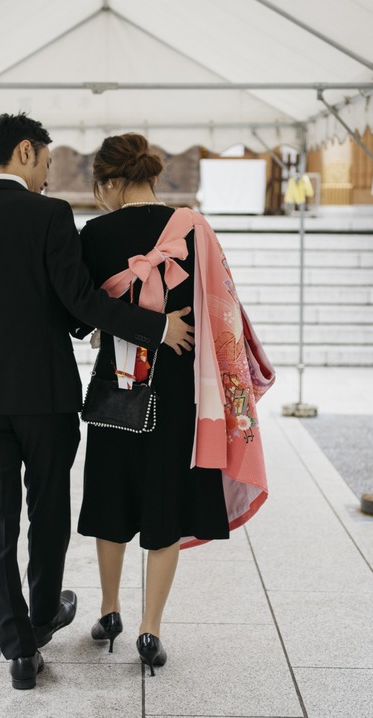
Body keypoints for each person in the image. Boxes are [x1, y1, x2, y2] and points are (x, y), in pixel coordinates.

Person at [0, 114, 196, 691]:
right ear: (25, 152)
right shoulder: (50, 215)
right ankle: (45, 611)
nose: (48, 176)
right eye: (47, 163)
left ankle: (19, 650)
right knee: (47, 510)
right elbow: (79, 303)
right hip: (45, 393)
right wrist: (152, 327)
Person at [73, 133, 275, 675]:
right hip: (182, 388)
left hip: (118, 384)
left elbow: (82, 316)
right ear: (152, 176)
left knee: (111, 494)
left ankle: (109, 611)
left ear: (110, 182)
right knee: (165, 499)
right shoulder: (194, 228)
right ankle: (151, 629)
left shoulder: (94, 235)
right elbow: (223, 307)